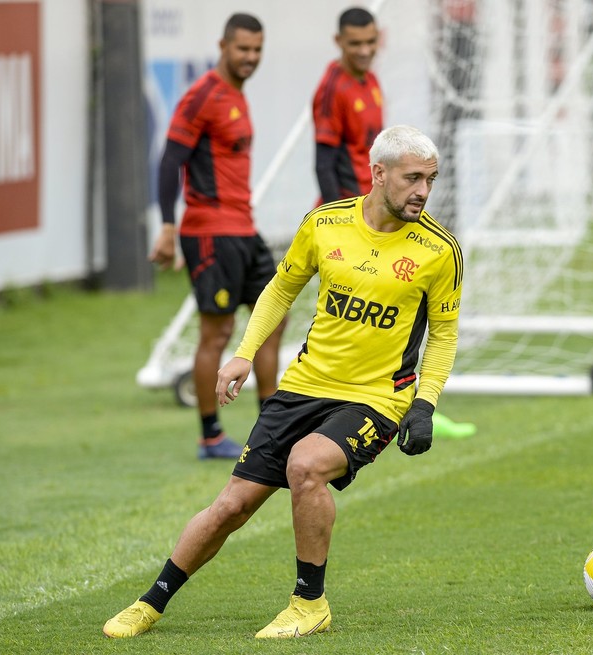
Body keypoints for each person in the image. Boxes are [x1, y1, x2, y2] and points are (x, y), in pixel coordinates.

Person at [103, 125, 463, 639]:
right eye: (412, 178)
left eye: (430, 179)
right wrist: (243, 355)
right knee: (232, 505)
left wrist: (423, 405)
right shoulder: (325, 224)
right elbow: (279, 290)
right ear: (378, 173)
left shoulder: (438, 249)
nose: (423, 191)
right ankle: (150, 602)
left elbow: (444, 335)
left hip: (376, 398)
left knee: (307, 465)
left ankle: (308, 604)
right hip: (304, 385)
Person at [312, 6, 476, 439]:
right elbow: (325, 161)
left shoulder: (371, 83)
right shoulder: (333, 88)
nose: (365, 51)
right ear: (339, 42)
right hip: (355, 223)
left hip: (381, 220)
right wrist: (350, 223)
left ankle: (411, 401)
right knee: (342, 319)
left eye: (371, 42)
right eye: (355, 44)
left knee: (403, 310)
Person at [149, 13, 285, 460]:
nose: (250, 57)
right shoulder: (203, 95)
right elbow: (171, 161)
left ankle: (271, 430)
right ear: (222, 45)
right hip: (210, 232)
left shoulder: (236, 95)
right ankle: (210, 436)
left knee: (273, 319)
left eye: (257, 50)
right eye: (242, 48)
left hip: (244, 229)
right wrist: (168, 226)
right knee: (218, 332)